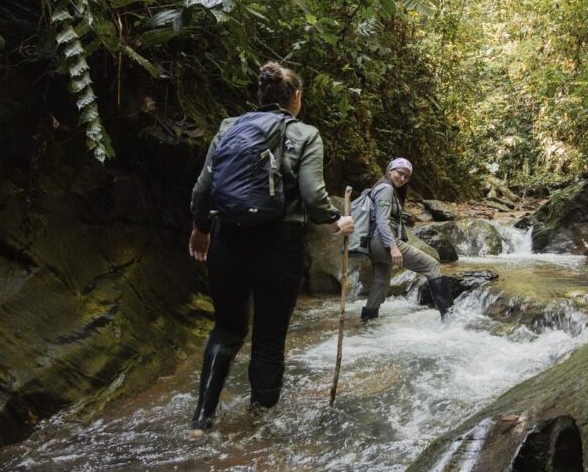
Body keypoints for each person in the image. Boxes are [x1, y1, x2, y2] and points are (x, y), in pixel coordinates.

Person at [187, 61, 354, 436]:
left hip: (227, 239)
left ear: (259, 95)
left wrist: (201, 229)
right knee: (267, 339)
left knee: (226, 329)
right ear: (295, 97)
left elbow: (202, 188)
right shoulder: (305, 134)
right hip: (279, 246)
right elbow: (313, 195)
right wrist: (336, 221)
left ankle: (200, 421)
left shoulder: (228, 129)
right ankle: (257, 429)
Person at [360, 158, 454, 322]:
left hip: (373, 242)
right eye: (400, 173)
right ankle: (450, 319)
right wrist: (393, 247)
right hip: (382, 241)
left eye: (406, 177)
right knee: (431, 265)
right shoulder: (386, 189)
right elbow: (382, 221)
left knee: (381, 280)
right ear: (390, 171)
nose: (402, 178)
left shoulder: (385, 188)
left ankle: (368, 320)